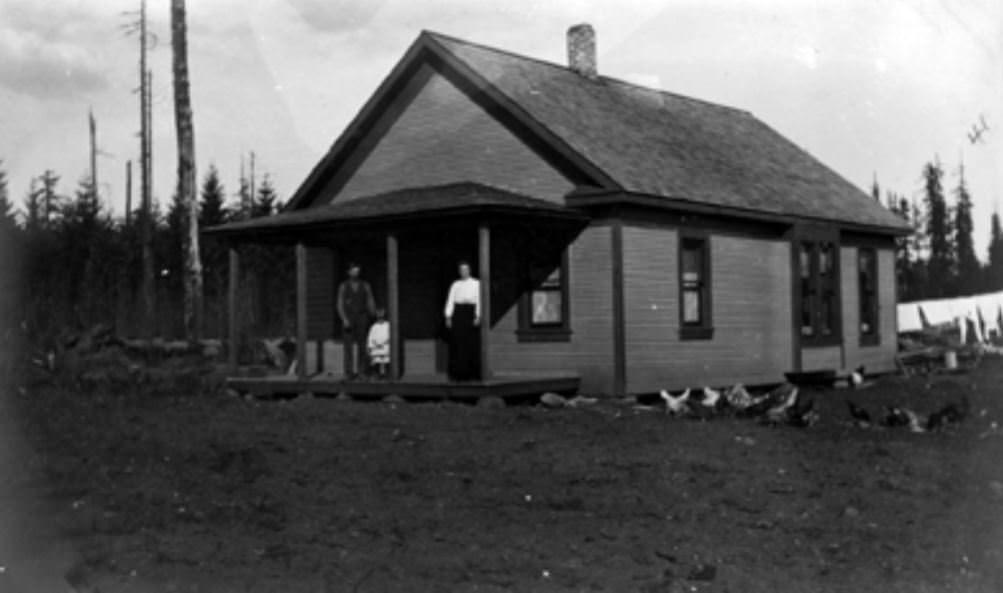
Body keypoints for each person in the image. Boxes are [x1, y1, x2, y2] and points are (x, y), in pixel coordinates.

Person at [336, 262, 376, 379]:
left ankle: (362, 372)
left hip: (361, 316)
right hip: (348, 317)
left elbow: (370, 299)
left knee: (362, 345)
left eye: (357, 269)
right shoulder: (343, 286)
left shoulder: (365, 285)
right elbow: (339, 304)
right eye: (353, 270)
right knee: (348, 347)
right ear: (348, 272)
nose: (356, 271)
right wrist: (344, 319)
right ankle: (348, 372)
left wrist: (373, 313)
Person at [444, 260, 481, 381]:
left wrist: (478, 316)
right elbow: (450, 300)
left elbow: (479, 300)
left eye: (466, 269)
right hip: (458, 313)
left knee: (470, 343)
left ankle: (471, 374)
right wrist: (448, 316)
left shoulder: (477, 284)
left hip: (470, 312)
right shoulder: (456, 284)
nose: (463, 272)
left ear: (469, 270)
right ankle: (457, 374)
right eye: (461, 270)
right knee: (457, 343)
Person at [367, 308, 391, 380]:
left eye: (382, 317)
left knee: (385, 358)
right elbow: (370, 338)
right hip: (376, 347)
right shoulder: (374, 327)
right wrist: (371, 346)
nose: (380, 319)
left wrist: (383, 343)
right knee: (375, 359)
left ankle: (386, 374)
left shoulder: (388, 325)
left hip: (385, 346)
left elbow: (390, 337)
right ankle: (376, 374)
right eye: (379, 317)